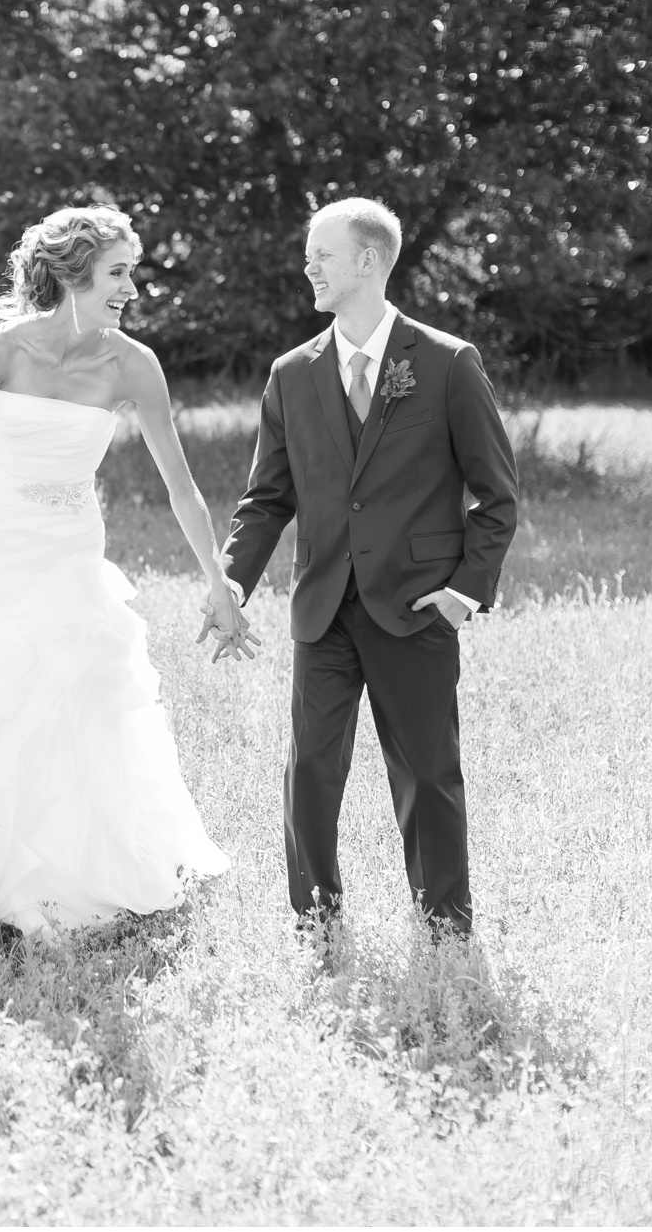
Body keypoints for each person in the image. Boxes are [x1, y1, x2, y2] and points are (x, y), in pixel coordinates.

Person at [0, 205, 240, 932]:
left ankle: (67, 872)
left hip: (66, 551)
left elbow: (180, 486)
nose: (131, 288)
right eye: (119, 271)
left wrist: (218, 584)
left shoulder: (133, 364)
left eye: (132, 272)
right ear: (72, 271)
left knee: (68, 693)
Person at [204, 197, 518, 942]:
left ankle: (444, 928)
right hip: (322, 608)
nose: (308, 266)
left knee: (427, 773)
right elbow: (266, 498)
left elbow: (498, 495)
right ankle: (315, 921)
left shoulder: (446, 363)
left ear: (369, 261)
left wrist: (463, 593)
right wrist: (232, 583)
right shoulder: (292, 374)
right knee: (309, 770)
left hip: (417, 607)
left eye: (323, 254)